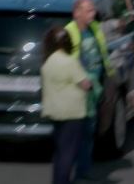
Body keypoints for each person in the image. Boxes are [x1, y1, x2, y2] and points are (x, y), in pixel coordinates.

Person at [65, 0, 111, 180]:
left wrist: (109, 73)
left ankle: (83, 173)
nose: (93, 13)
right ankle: (72, 175)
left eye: (93, 10)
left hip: (93, 89)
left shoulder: (94, 28)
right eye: (89, 10)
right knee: (76, 136)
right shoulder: (69, 32)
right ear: (77, 13)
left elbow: (102, 54)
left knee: (88, 133)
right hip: (76, 91)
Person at [41, 26, 93, 184]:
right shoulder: (70, 62)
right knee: (68, 153)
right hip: (72, 113)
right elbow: (85, 84)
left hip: (55, 112)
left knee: (60, 151)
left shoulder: (47, 62)